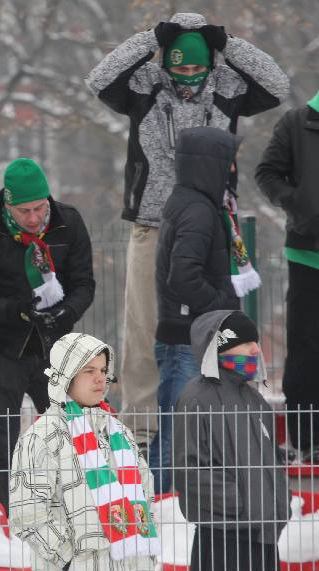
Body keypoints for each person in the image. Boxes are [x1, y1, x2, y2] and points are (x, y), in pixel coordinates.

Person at [86, 12, 288, 453]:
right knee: (144, 332)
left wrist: (227, 43)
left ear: (210, 65)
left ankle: (208, 429)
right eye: (181, 67)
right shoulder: (143, 88)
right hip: (151, 226)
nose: (189, 78)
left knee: (214, 328)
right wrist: (150, 39)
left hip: (213, 225)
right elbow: (99, 78)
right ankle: (142, 433)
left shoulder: (229, 89)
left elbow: (277, 84)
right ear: (167, 62)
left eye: (198, 68)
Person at [11, 333, 159, 571]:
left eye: (104, 370)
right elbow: (27, 512)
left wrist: (137, 563)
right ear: (65, 375)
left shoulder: (118, 433)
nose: (99, 379)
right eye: (88, 370)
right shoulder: (42, 436)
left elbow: (145, 499)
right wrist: (69, 559)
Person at [0, 158, 95, 511]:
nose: (33, 219)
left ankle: (70, 505)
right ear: (7, 205)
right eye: (23, 211)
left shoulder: (69, 222)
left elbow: (84, 284)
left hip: (56, 348)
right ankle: (0, 512)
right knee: (2, 438)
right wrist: (15, 309)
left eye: (39, 208)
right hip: (5, 347)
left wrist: (68, 311)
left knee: (65, 432)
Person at [173, 310, 290, 571]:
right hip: (223, 538)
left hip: (261, 535)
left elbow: (272, 464)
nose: (257, 350)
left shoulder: (255, 400)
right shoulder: (195, 397)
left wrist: (276, 504)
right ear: (221, 349)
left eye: (256, 343)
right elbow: (189, 470)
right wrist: (240, 505)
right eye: (247, 344)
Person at [154, 127, 250, 493]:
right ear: (211, 165)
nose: (233, 169)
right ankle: (157, 510)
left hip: (192, 337)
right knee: (175, 436)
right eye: (228, 161)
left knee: (187, 434)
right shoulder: (197, 210)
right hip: (185, 340)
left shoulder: (200, 204)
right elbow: (183, 278)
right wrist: (223, 309)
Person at [255, 90, 319, 460]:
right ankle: (308, 442)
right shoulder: (296, 123)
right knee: (307, 350)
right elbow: (266, 173)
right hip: (307, 254)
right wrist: (298, 206)